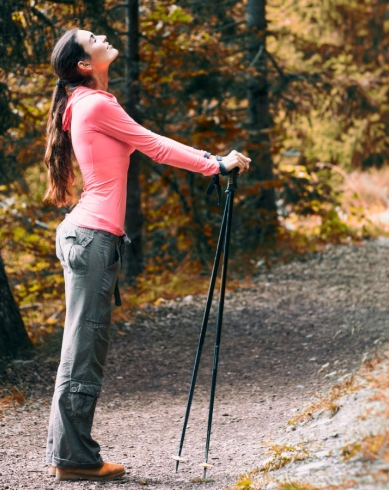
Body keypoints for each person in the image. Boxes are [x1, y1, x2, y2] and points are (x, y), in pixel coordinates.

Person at [41, 28, 250, 482]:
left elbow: (144, 143)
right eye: (91, 37)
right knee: (84, 348)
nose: (100, 35)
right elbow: (153, 145)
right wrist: (215, 163)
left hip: (89, 237)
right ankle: (75, 459)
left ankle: (69, 454)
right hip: (92, 239)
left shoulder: (87, 103)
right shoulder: (95, 104)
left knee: (81, 345)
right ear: (83, 63)